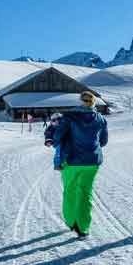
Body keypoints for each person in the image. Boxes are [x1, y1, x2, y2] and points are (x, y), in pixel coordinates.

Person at [51, 92, 108, 238]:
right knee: (85, 192)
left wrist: (56, 143)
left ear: (80, 101)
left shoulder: (69, 117)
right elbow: (103, 142)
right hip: (92, 161)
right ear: (94, 102)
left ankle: (71, 222)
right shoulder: (101, 119)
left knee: (70, 190)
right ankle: (83, 228)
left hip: (71, 160)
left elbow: (57, 136)